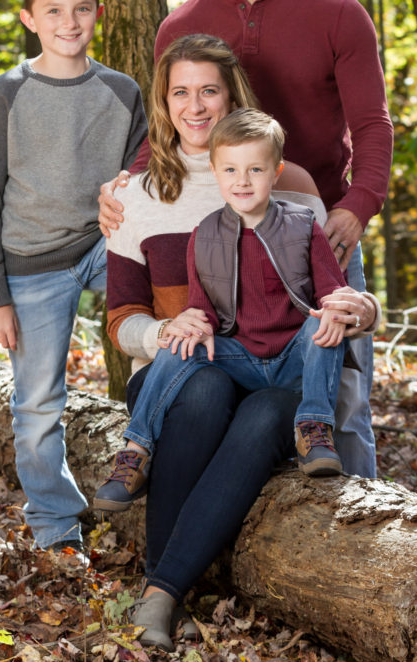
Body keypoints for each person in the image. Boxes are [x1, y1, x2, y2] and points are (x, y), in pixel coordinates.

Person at [101, 0, 393, 479]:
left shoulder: (338, 12)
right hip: (224, 236)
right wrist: (125, 184)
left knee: (342, 405)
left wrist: (357, 206)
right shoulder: (183, 24)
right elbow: (174, 119)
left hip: (319, 228)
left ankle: (363, 533)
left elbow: (373, 125)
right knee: (236, 395)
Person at [99, 34, 379, 649]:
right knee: (201, 389)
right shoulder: (132, 196)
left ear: (232, 97)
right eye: (180, 92)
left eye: (209, 90)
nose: (195, 106)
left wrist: (361, 311)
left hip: (275, 368)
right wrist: (165, 328)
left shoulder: (294, 185)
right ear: (163, 102)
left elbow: (338, 293)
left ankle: (163, 591)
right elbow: (122, 317)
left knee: (262, 415)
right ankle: (164, 584)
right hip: (182, 362)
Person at [0, 0, 147, 553]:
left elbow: (146, 178)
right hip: (31, 264)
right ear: (29, 19)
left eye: (82, 9)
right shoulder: (9, 93)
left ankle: (159, 420)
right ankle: (54, 524)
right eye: (54, 12)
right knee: (37, 402)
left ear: (98, 13)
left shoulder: (121, 91)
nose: (70, 22)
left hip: (101, 245)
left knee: (165, 312)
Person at [95, 108, 352, 512]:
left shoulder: (303, 225)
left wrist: (337, 310)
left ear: (276, 171)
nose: (242, 181)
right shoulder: (205, 234)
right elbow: (203, 309)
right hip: (240, 357)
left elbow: (333, 292)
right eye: (230, 170)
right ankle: (135, 452)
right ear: (215, 173)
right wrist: (192, 327)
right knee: (178, 342)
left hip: (294, 357)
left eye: (255, 170)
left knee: (325, 323)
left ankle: (314, 430)